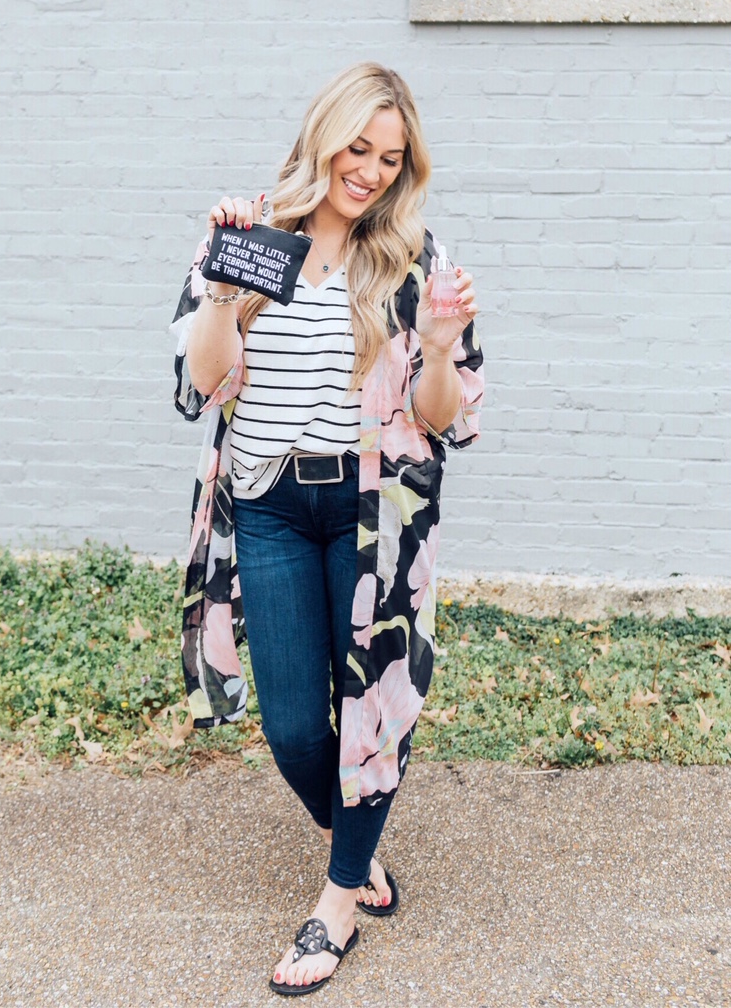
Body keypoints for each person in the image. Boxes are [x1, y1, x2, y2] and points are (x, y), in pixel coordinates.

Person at [171, 62, 484, 995]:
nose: (372, 171)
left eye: (391, 157)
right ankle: (355, 840)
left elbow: (441, 419)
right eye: (358, 147)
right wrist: (226, 288)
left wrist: (433, 346)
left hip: (366, 515)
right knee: (299, 727)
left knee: (369, 716)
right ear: (323, 137)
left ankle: (338, 900)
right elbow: (203, 384)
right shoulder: (251, 234)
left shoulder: (411, 260)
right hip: (268, 506)